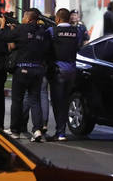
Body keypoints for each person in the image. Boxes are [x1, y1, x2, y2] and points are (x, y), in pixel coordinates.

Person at [0, 9, 50, 142]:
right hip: (37, 70)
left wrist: (3, 25)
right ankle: (37, 130)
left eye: (24, 17)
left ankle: (15, 130)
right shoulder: (42, 31)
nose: (22, 19)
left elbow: (3, 37)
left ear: (28, 18)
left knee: (17, 100)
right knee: (35, 100)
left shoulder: (21, 29)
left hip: (22, 70)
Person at [47, 8, 83, 141]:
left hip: (58, 70)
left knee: (57, 102)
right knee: (66, 101)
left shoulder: (52, 31)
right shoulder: (77, 31)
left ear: (57, 19)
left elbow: (47, 48)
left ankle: (60, 132)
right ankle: (62, 130)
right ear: (68, 18)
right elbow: (78, 46)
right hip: (72, 70)